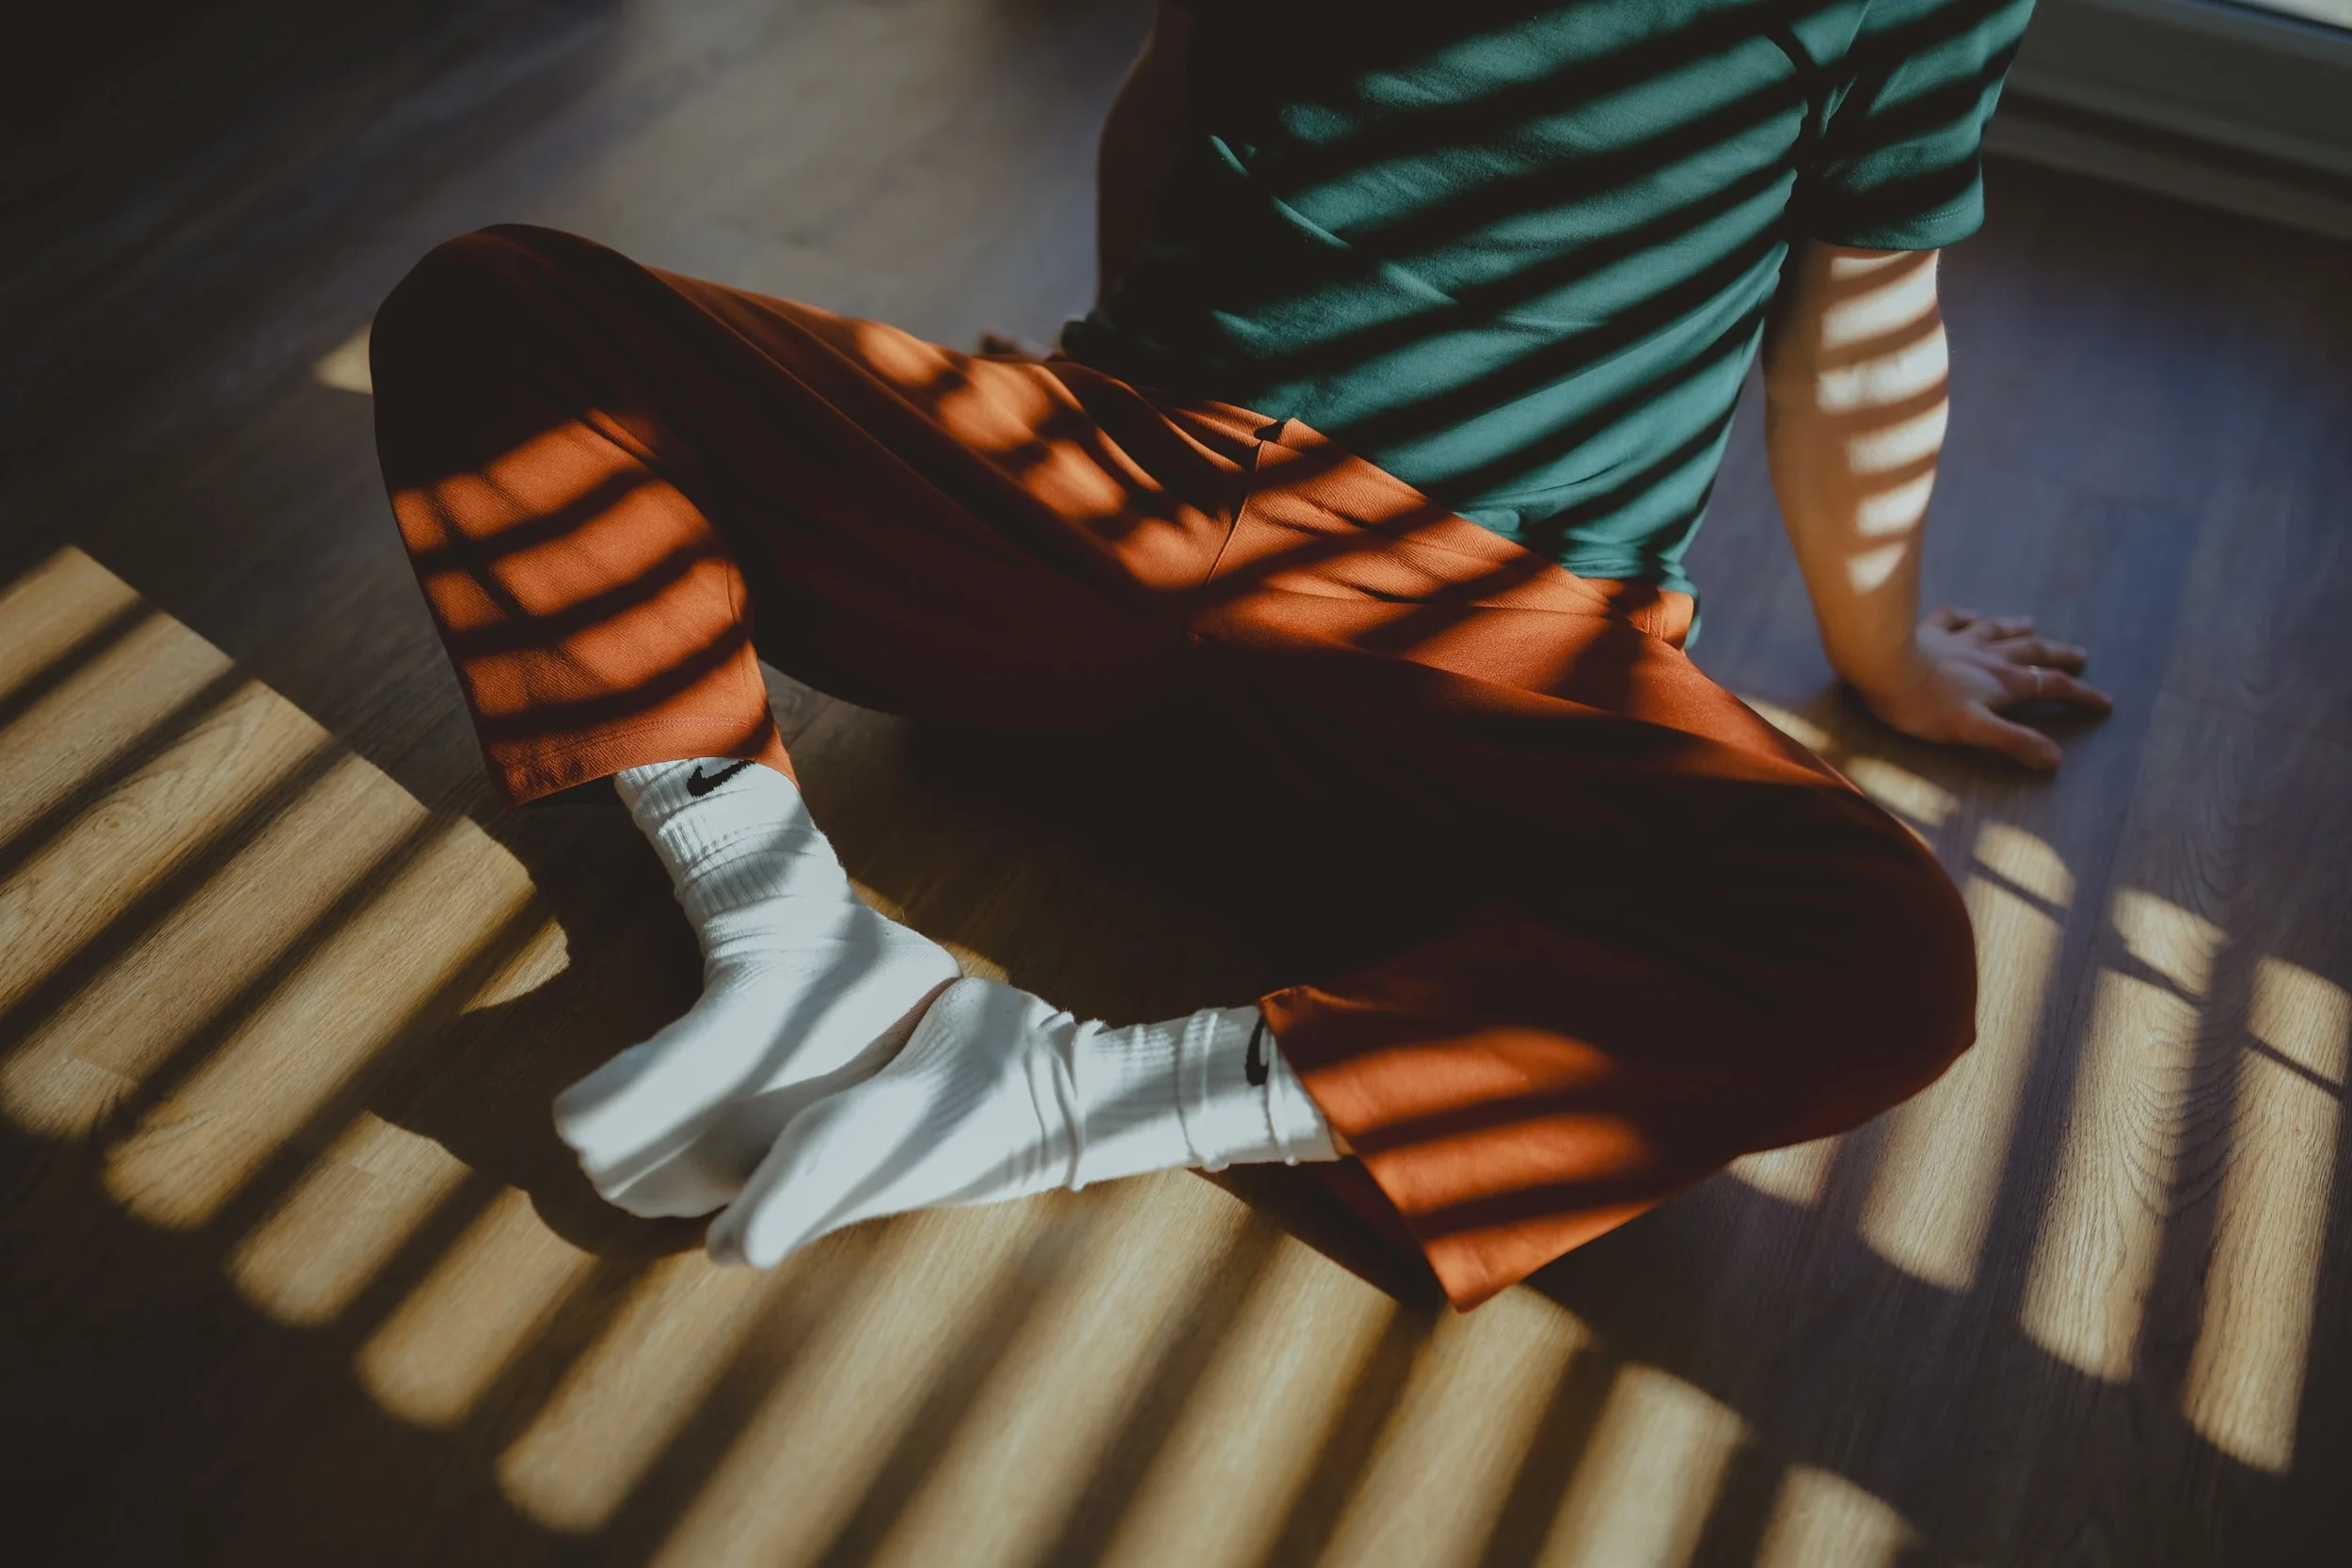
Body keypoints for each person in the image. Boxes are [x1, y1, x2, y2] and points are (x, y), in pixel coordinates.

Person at [368, 0, 2108, 1309]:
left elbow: (1168, 112)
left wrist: (1882, 663)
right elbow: (1862, 324)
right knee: (494, 301)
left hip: (1394, 628)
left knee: (1888, 951)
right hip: (1187, 539)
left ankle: (1062, 1086)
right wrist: (1877, 659)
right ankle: (792, 940)